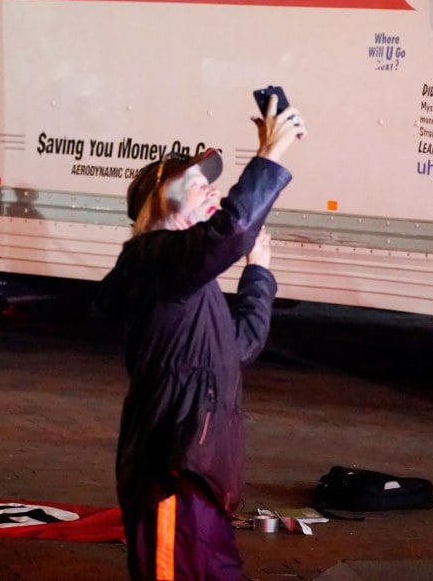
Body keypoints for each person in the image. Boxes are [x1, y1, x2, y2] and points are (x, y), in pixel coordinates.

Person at [95, 94, 306, 580]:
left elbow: (239, 347)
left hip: (204, 484)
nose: (212, 192)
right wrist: (269, 156)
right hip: (174, 478)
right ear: (157, 201)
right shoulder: (153, 260)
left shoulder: (187, 278)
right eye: (196, 185)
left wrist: (259, 276)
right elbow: (230, 230)